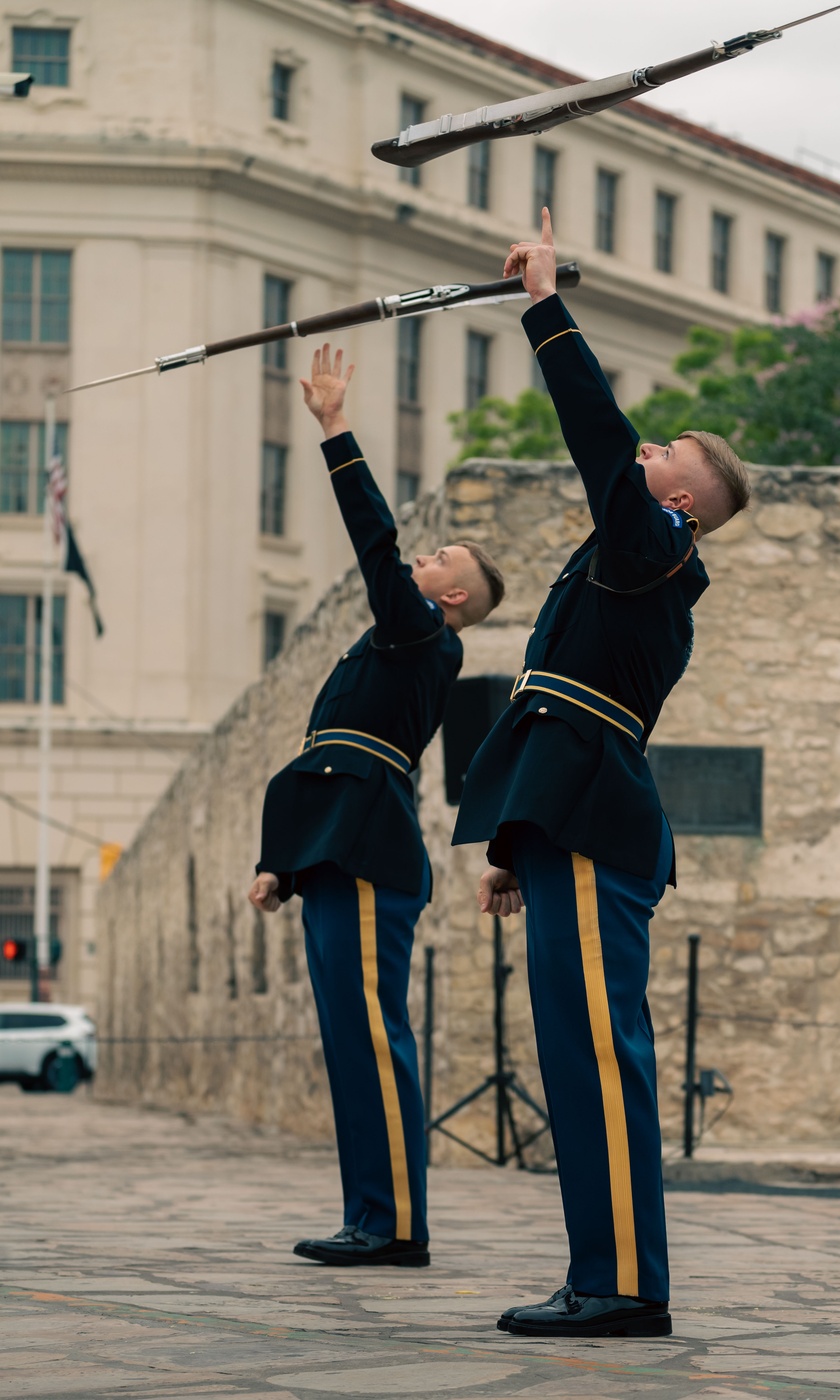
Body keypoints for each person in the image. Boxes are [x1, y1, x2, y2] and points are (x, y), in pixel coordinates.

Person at [453, 210, 752, 1337]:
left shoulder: (655, 549)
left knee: (596, 1056)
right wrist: (511, 845)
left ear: (676, 503)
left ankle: (623, 1283)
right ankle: (604, 1274)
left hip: (596, 827)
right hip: (566, 822)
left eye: (662, 451)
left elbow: (592, 428)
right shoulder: (628, 560)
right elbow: (558, 708)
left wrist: (543, 307)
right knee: (574, 1062)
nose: (644, 448)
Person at [249, 345, 504, 1270]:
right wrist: (284, 864)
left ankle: (394, 1225)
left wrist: (334, 429)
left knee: (372, 1038)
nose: (421, 558)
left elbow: (372, 540)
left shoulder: (421, 636)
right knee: (349, 1045)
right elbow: (328, 760)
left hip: (370, 856)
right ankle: (371, 1217)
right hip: (340, 848)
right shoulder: (389, 646)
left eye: (438, 558)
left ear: (449, 597)